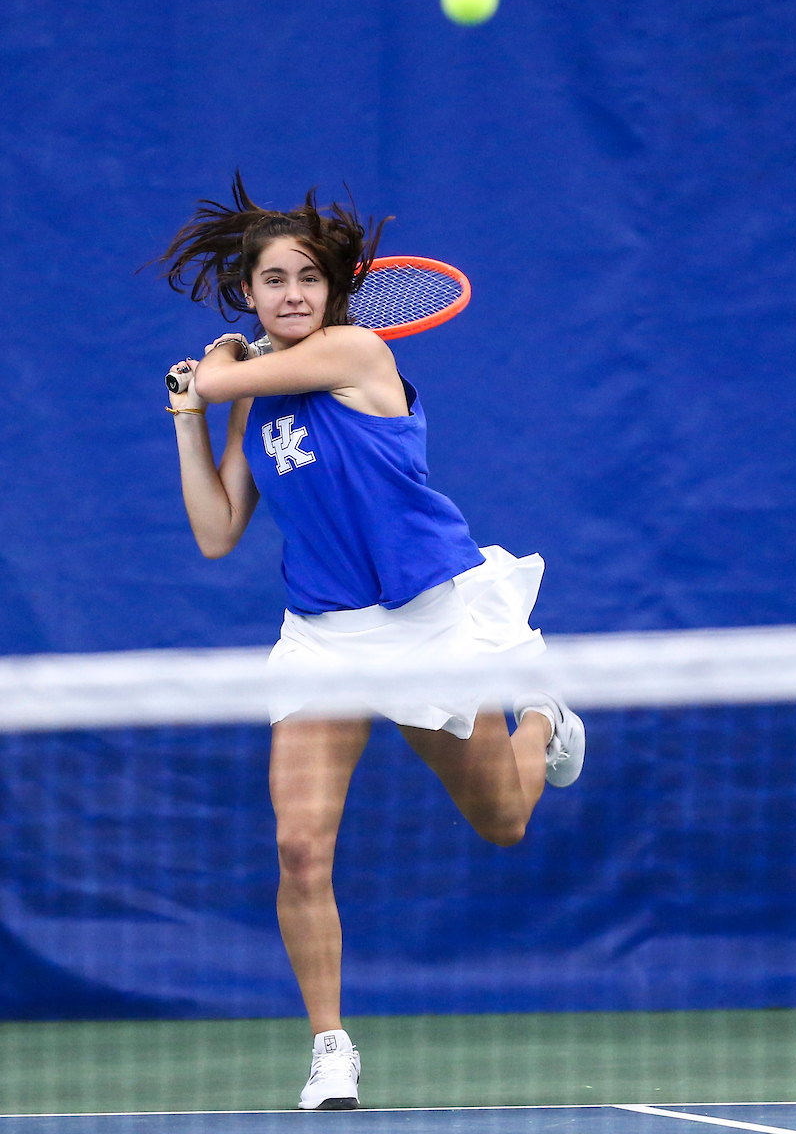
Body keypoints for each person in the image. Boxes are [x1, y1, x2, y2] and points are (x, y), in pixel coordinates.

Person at [160, 174, 585, 1111]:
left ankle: (542, 716)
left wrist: (217, 362)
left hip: (425, 628)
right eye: (274, 280)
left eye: (309, 277)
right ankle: (331, 1048)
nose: (293, 295)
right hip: (321, 639)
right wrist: (191, 420)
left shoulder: (357, 351)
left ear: (337, 289)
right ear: (249, 290)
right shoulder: (256, 400)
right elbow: (217, 531)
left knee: (504, 820)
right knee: (300, 848)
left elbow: (224, 371)